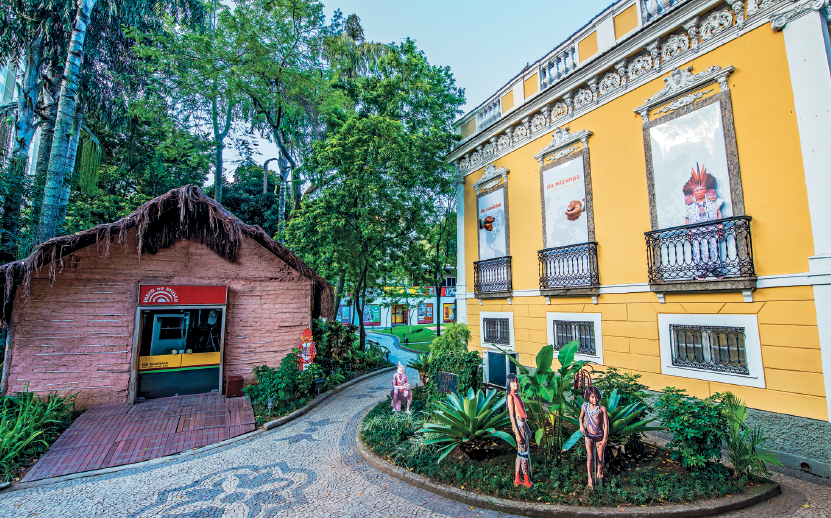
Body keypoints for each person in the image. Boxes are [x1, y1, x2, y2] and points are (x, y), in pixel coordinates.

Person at [683, 164, 724, 279]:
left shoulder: (713, 202)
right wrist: (689, 233)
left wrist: (720, 227)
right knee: (698, 250)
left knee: (714, 248)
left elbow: (718, 213)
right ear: (693, 192)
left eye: (702, 189)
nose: (699, 192)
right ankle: (701, 271)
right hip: (696, 231)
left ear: (706, 190)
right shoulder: (689, 205)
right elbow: (687, 219)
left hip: (711, 229)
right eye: (696, 190)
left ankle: (716, 270)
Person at [506, 373, 533, 488]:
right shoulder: (510, 397)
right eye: (513, 382)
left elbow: (522, 414)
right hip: (518, 426)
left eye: (516, 381)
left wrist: (527, 428)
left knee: (520, 453)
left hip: (522, 425)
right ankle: (526, 480)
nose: (516, 384)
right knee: (524, 454)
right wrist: (517, 433)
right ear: (509, 384)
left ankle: (517, 478)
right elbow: (512, 416)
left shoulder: (517, 395)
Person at [579, 386, 609, 489]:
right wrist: (581, 426)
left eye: (596, 397)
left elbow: (605, 424)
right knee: (590, 457)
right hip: (589, 436)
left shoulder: (602, 409)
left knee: (600, 458)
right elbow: (581, 417)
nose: (594, 399)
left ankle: (600, 470)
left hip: (599, 437)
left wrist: (605, 438)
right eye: (592, 397)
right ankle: (590, 478)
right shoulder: (585, 407)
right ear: (588, 397)